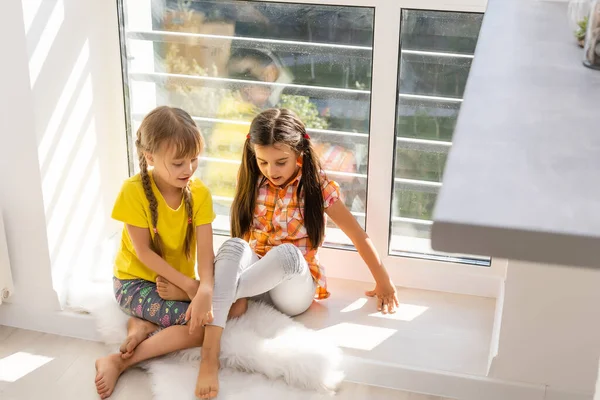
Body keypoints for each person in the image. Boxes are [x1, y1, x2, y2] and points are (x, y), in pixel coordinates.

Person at [194, 108, 400, 398]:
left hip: (293, 290)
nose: (271, 170)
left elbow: (357, 234)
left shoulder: (317, 186)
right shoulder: (253, 181)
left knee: (287, 253)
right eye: (262, 161)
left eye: (281, 162)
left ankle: (211, 294)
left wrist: (383, 280)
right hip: (256, 282)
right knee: (234, 246)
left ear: (299, 152)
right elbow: (241, 238)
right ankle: (209, 353)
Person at [94, 106, 246, 399]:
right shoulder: (132, 190)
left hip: (177, 285)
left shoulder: (199, 193)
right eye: (178, 163)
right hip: (134, 284)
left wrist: (203, 290)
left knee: (237, 307)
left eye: (194, 160)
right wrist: (190, 287)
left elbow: (205, 252)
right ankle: (119, 361)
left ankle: (143, 325)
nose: (188, 169)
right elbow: (143, 253)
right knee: (205, 327)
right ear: (150, 158)